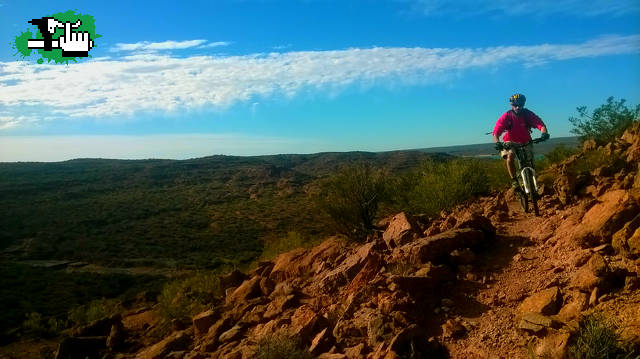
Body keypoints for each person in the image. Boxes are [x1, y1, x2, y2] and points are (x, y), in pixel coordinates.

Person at [493, 93, 549, 189]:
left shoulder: (527, 114)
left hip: (525, 141)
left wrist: (544, 133)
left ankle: (533, 182)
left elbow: (540, 124)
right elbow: (496, 132)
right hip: (510, 141)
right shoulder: (507, 116)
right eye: (515, 105)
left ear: (523, 104)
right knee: (510, 157)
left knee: (530, 161)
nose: (518, 107)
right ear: (511, 105)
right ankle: (514, 180)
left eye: (520, 105)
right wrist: (497, 142)